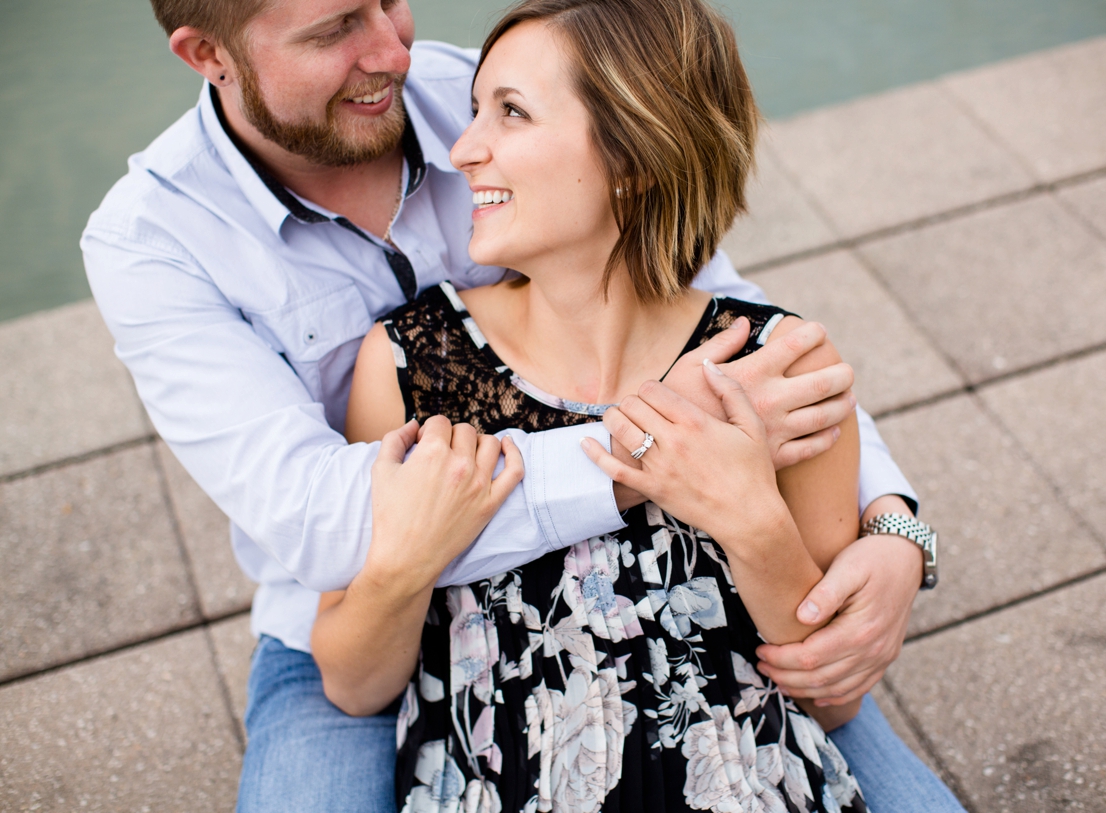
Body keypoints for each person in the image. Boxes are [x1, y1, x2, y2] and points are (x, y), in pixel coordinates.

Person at [79, 0, 957, 810]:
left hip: (716, 652)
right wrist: (646, 449)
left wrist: (891, 524)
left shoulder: (483, 82)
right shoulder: (153, 244)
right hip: (376, 617)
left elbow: (732, 328)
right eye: (335, 26)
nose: (393, 50)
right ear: (209, 56)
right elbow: (318, 523)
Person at [310, 1, 874, 809]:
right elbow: (354, 684)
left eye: (511, 112)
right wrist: (407, 560)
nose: (464, 150)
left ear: (632, 154)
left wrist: (754, 520)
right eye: (475, 111)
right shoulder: (408, 366)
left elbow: (835, 699)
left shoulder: (778, 370)